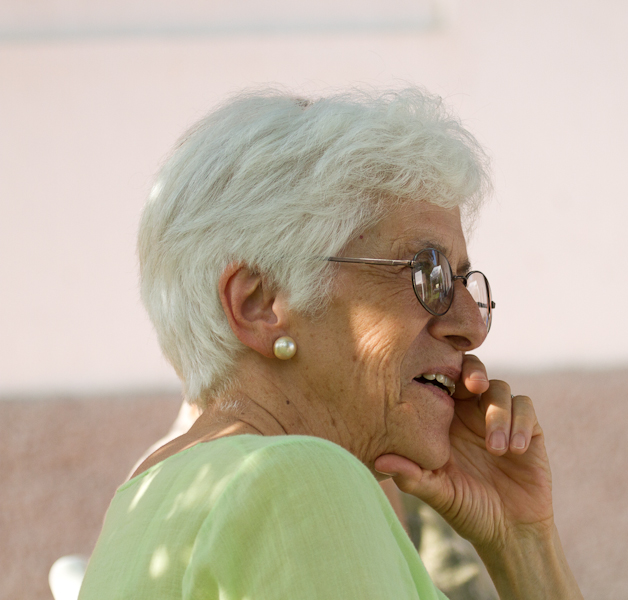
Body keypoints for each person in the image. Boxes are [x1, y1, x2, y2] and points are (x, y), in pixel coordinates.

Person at [78, 87, 583, 600]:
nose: (472, 324)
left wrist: (520, 540)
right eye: (425, 273)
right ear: (260, 304)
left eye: (461, 281)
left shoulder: (140, 501)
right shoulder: (297, 479)